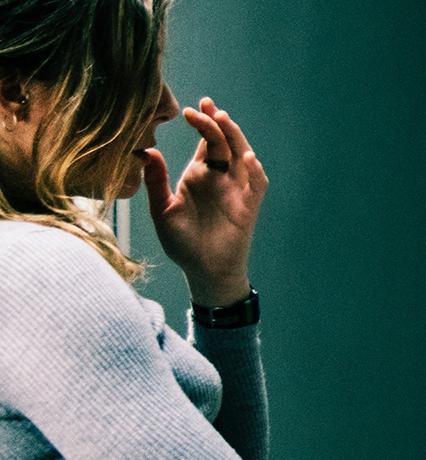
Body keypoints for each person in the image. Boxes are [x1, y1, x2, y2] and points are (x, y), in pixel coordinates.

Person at [0, 0, 272, 457]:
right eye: (131, 71)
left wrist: (218, 285)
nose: (166, 105)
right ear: (14, 93)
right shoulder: (38, 269)